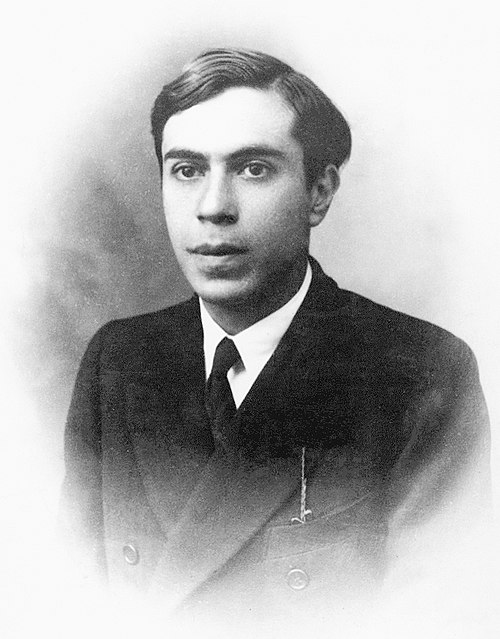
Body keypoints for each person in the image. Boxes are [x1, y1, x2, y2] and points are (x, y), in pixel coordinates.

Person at [60, 48, 491, 632]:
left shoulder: (420, 376)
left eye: (254, 169)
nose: (214, 208)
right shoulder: (120, 360)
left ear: (319, 192)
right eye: (187, 170)